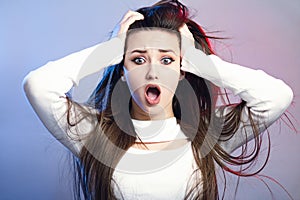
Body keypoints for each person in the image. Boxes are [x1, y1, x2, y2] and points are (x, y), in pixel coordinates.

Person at [23, 0, 293, 199]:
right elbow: (38, 85)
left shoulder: (206, 133)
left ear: (182, 70)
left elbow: (276, 97)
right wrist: (110, 50)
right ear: (123, 70)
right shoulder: (94, 133)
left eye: (167, 59)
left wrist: (200, 60)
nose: (152, 72)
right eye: (138, 59)